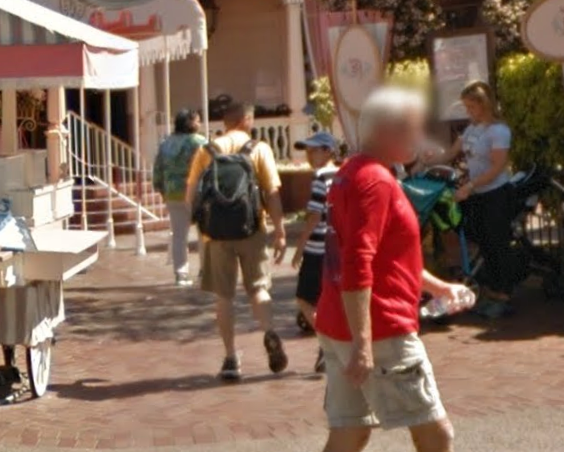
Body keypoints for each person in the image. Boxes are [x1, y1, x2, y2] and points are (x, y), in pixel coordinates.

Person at [318, 86, 459, 452]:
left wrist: (436, 286)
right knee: (436, 434)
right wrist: (363, 343)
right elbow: (358, 260)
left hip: (339, 324)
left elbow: (382, 257)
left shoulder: (349, 175)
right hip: (381, 329)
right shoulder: (376, 181)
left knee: (350, 432)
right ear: (388, 131)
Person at [185, 96, 289, 381]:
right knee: (258, 288)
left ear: (225, 123)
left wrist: (194, 228)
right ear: (247, 121)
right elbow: (272, 193)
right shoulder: (259, 149)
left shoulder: (207, 151)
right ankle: (268, 331)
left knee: (224, 296)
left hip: (215, 234)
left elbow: (191, 194)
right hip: (251, 228)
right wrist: (279, 229)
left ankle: (231, 357)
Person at [447, 81, 517, 318]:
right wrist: (427, 158)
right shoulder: (472, 129)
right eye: (466, 108)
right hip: (478, 194)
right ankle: (493, 291)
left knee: (498, 243)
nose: (469, 112)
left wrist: (471, 185)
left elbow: (498, 166)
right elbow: (452, 152)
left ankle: (504, 295)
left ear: (483, 105)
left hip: (495, 193)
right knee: (485, 242)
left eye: (472, 107)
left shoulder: (498, 131)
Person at [290, 130, 339, 373]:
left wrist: (299, 247)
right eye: (308, 150)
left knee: (304, 298)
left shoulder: (320, 177)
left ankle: (329, 344)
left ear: (328, 151)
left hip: (317, 247)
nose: (309, 155)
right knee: (328, 298)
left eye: (314, 150)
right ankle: (329, 345)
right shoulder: (340, 175)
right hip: (335, 246)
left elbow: (314, 215)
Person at [152, 108, 208, 286]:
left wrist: (161, 188)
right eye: (197, 120)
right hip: (197, 192)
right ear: (190, 122)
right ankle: (205, 270)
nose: (200, 123)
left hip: (172, 193)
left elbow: (158, 168)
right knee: (204, 232)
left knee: (179, 235)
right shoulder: (199, 142)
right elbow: (210, 166)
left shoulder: (166, 143)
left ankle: (181, 273)